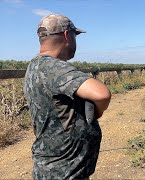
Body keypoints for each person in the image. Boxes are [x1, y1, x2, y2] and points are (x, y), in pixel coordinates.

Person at [23, 14, 112, 179]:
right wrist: (98, 113)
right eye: (75, 35)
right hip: (63, 170)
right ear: (67, 35)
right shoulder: (53, 67)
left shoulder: (34, 66)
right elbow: (102, 94)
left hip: (54, 165)